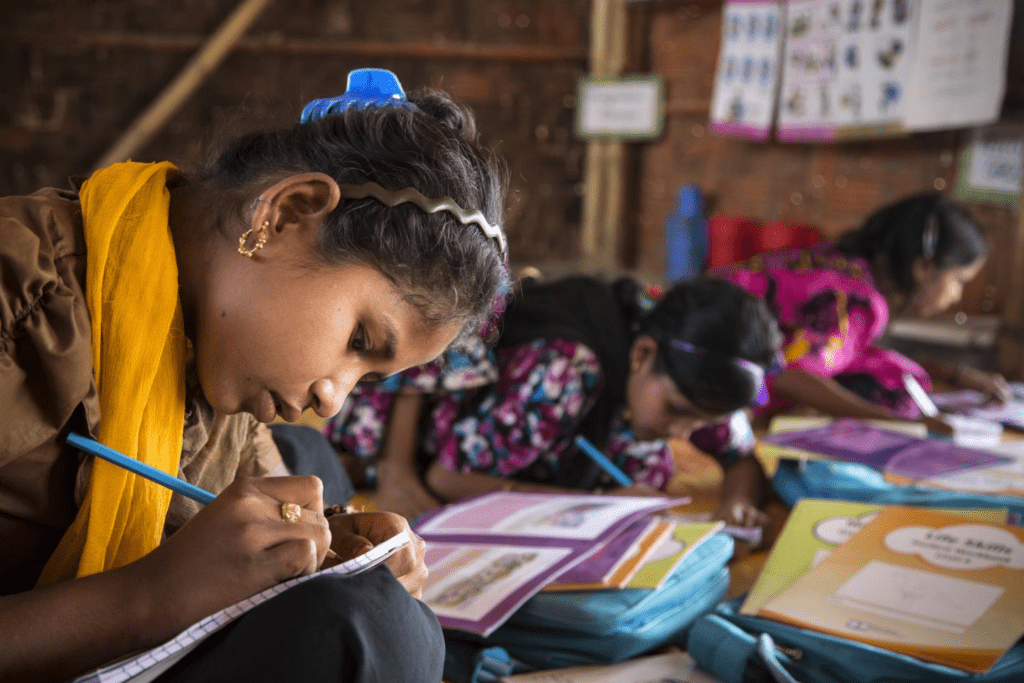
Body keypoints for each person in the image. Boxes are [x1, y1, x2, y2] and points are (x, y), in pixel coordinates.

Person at [0, 68, 508, 683]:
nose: (333, 395)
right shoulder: (23, 303)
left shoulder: (217, 366)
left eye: (368, 379)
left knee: (309, 471)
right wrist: (149, 597)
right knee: (368, 629)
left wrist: (330, 548)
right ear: (283, 216)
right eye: (358, 341)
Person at [327, 275, 783, 536]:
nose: (686, 433)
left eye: (703, 422)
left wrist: (737, 503)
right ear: (642, 355)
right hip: (446, 438)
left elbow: (740, 457)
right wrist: (597, 504)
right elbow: (449, 477)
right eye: (679, 412)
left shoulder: (693, 382)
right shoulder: (566, 369)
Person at [718, 191, 1008, 427]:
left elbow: (851, 350)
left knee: (898, 370)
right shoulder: (859, 302)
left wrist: (954, 375)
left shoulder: (839, 262)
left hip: (701, 327)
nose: (957, 296)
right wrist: (895, 423)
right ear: (924, 268)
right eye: (959, 280)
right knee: (894, 391)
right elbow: (786, 375)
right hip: (711, 374)